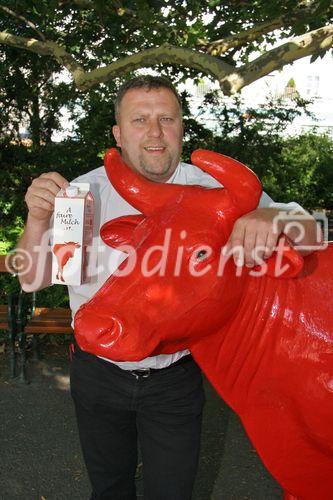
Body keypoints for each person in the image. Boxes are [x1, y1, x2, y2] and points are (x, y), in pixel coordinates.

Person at [17, 75, 319, 500]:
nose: (155, 132)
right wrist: (37, 219)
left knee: (173, 492)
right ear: (118, 134)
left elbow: (315, 233)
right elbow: (32, 279)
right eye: (140, 120)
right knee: (109, 488)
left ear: (182, 127)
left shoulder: (220, 192)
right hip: (97, 372)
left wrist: (275, 219)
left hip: (174, 376)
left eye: (167, 119)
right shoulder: (82, 194)